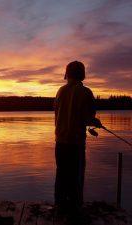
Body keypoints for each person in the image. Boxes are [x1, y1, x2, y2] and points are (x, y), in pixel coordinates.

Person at [54, 61, 102, 215]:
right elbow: (88, 118)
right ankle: (75, 208)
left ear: (67, 74)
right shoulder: (85, 92)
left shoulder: (60, 91)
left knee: (61, 175)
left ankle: (60, 206)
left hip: (60, 142)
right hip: (76, 143)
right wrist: (96, 122)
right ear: (82, 75)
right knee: (76, 177)